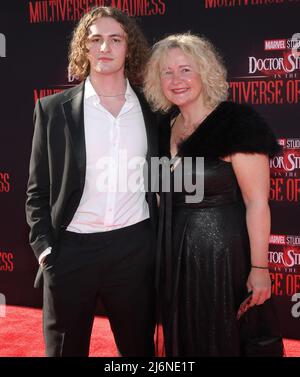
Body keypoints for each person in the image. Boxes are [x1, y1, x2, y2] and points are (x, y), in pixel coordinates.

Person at [26, 6, 158, 357]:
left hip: (134, 250)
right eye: (95, 39)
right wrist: (46, 252)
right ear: (83, 48)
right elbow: (36, 191)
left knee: (139, 353)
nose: (104, 48)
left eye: (115, 39)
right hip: (71, 252)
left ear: (129, 48)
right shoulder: (53, 110)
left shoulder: (153, 110)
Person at [144, 33, 280, 356]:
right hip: (174, 259)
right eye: (167, 72)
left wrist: (260, 269)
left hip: (223, 259)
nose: (176, 80)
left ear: (205, 72)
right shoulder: (163, 127)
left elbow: (257, 202)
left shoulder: (237, 123)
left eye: (185, 70)